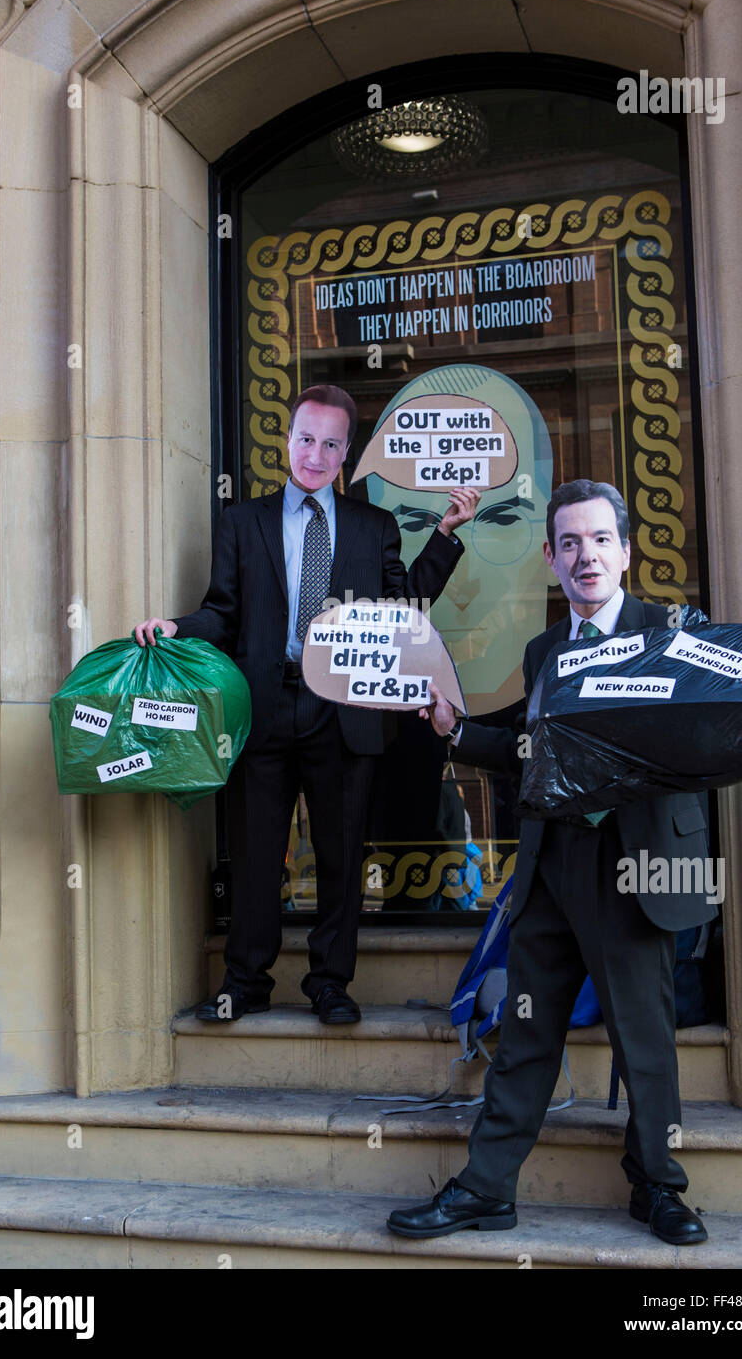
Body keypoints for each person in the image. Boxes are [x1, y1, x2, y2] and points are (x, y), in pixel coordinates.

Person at [387, 479, 715, 1246]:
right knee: (527, 1031)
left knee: (645, 1038)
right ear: (549, 558)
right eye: (569, 543)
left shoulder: (672, 630)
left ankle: (659, 1188)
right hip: (550, 865)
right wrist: (455, 729)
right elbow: (535, 756)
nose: (585, 556)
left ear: (626, 553)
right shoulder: (543, 650)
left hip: (636, 864)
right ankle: (485, 1190)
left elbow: (713, 742)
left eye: (600, 539)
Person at [135, 384, 479, 1025]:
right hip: (262, 706)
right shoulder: (243, 522)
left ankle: (330, 983)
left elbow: (403, 615)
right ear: (286, 440)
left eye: (329, 443)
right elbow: (224, 612)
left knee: (341, 853)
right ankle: (246, 981)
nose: (314, 454)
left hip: (341, 710)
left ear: (346, 452)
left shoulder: (372, 527)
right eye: (305, 438)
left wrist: (445, 534)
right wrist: (178, 628)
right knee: (257, 850)